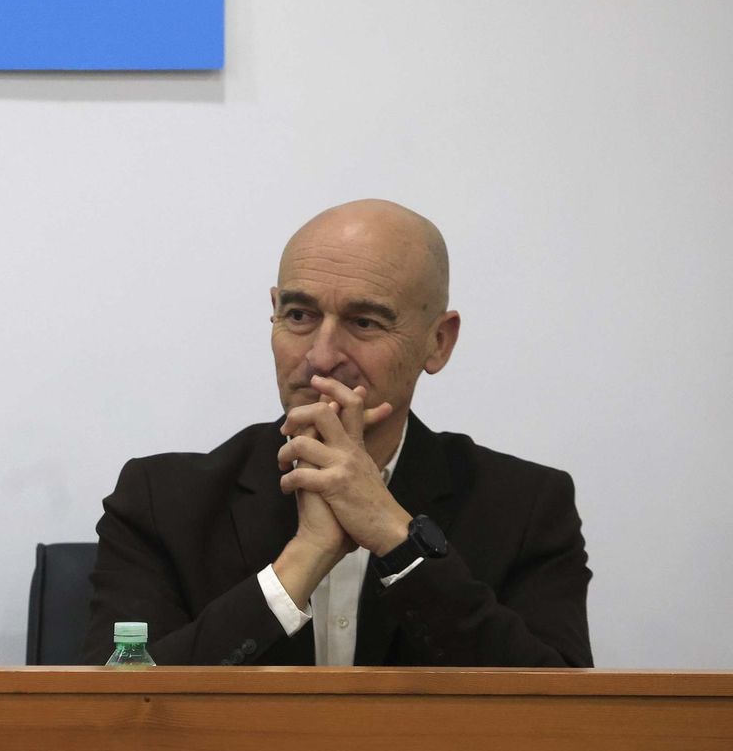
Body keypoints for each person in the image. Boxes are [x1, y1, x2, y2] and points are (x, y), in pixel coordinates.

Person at [84, 200, 591, 667]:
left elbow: (560, 714)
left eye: (365, 322)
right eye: (299, 316)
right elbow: (115, 713)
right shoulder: (161, 501)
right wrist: (304, 558)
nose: (321, 356)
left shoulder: (526, 508)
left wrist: (397, 538)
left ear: (437, 342)